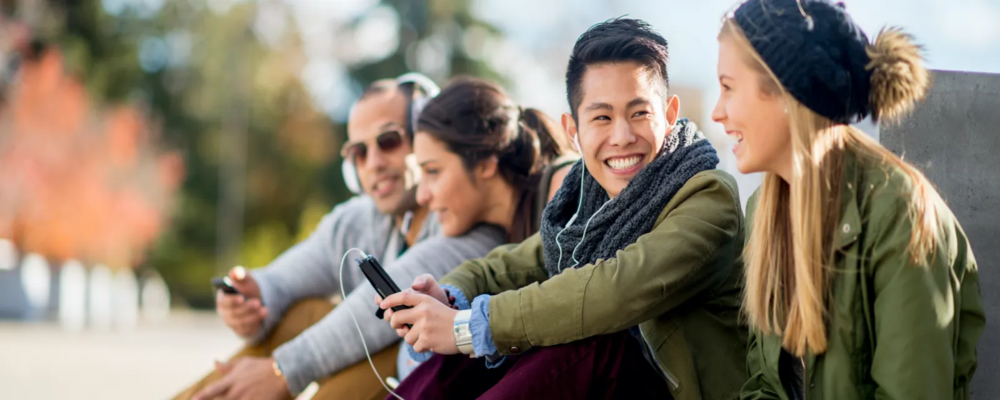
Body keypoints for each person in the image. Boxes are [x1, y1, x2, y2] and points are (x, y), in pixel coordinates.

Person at [379, 18, 748, 400]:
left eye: (640, 113)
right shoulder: (591, 200)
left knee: (586, 343)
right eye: (602, 117)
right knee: (468, 354)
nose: (622, 137)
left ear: (670, 115)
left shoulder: (707, 196)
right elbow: (518, 263)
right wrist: (451, 295)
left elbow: (612, 293)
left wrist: (467, 326)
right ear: (573, 129)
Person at [710, 1, 985, 399]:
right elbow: (765, 384)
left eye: (728, 87)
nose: (717, 112)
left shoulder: (900, 214)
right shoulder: (764, 211)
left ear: (788, 92)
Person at [176, 74, 508, 400]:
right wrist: (254, 299)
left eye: (388, 140)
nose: (373, 163)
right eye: (359, 153)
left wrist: (283, 371)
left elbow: (374, 309)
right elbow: (288, 275)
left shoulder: (467, 217)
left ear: (426, 137)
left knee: (387, 339)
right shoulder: (359, 218)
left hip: (430, 378)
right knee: (305, 312)